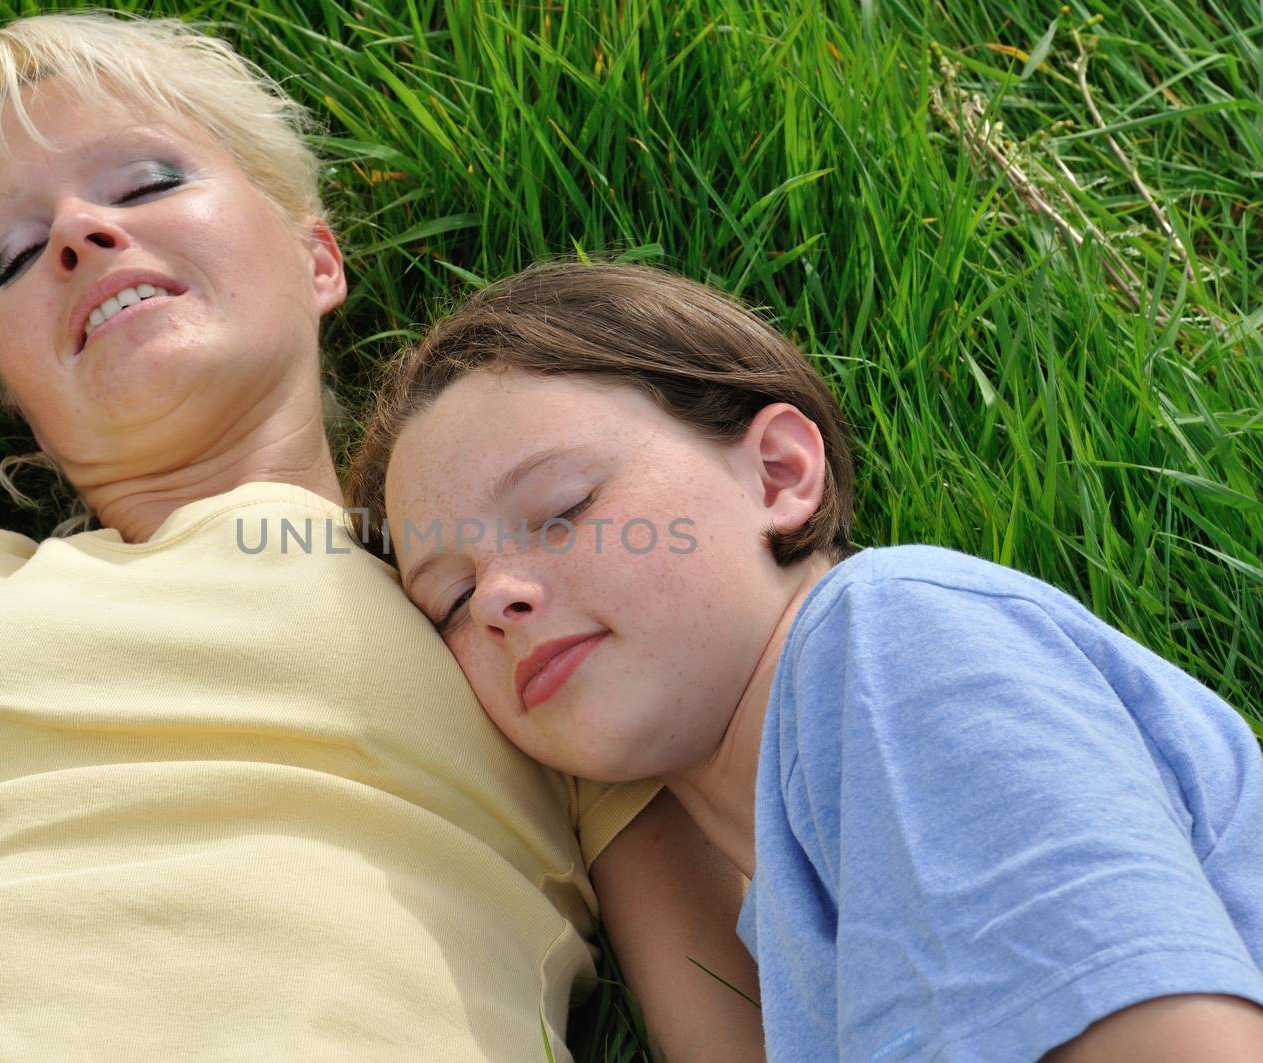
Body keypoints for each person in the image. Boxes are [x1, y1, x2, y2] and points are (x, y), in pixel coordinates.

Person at [0, 14, 763, 1062]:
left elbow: (733, 1018)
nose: (82, 234)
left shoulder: (506, 607)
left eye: (146, 184)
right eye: (13, 251)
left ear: (318, 260)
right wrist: (19, 345)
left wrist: (54, 316)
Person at [346, 260, 1263, 1061]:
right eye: (451, 601)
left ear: (778, 474)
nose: (500, 595)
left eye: (563, 506)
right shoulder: (796, 916)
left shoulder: (887, 643)